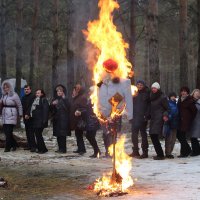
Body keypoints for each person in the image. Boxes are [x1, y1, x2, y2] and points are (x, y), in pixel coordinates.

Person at [0, 80, 23, 152]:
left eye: (7, 87)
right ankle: (14, 144)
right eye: (4, 88)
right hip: (4, 115)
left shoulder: (14, 95)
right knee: (7, 132)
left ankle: (8, 147)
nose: (6, 89)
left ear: (10, 87)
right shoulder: (4, 95)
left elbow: (19, 105)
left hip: (12, 114)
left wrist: (20, 114)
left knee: (8, 132)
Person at [129, 79, 150, 159]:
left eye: (141, 85)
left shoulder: (147, 93)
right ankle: (135, 151)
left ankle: (145, 152)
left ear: (143, 86)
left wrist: (147, 115)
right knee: (134, 134)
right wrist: (130, 115)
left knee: (143, 134)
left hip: (143, 117)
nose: (139, 86)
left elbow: (149, 105)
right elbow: (130, 105)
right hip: (134, 117)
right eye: (138, 85)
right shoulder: (134, 93)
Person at [149, 82, 169, 160]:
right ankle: (160, 154)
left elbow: (167, 108)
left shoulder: (162, 97)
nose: (153, 89)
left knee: (154, 135)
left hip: (159, 118)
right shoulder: (151, 96)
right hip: (153, 118)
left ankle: (160, 155)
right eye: (152, 88)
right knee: (153, 136)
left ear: (158, 89)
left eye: (155, 88)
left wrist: (165, 115)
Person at [177, 87, 197, 158]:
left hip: (185, 122)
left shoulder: (190, 101)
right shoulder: (180, 99)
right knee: (179, 135)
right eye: (182, 91)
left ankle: (184, 152)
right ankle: (187, 149)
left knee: (182, 136)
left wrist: (189, 119)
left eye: (185, 91)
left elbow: (194, 111)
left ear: (187, 92)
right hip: (179, 121)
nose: (183, 92)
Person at [50, 84, 71, 153]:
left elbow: (69, 107)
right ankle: (60, 148)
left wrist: (64, 99)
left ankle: (63, 149)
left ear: (63, 92)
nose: (59, 93)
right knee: (58, 135)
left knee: (63, 135)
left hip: (63, 120)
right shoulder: (54, 99)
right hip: (56, 119)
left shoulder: (65, 99)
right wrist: (52, 104)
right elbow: (51, 109)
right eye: (58, 91)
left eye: (60, 91)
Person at [70, 84, 87, 155]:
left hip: (80, 120)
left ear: (78, 91)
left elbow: (84, 108)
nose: (73, 92)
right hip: (75, 120)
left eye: (74, 90)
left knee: (79, 135)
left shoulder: (82, 98)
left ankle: (82, 149)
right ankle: (80, 148)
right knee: (78, 135)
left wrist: (79, 111)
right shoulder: (76, 98)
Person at [30, 89, 49, 154]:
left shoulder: (44, 100)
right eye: (36, 93)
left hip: (41, 121)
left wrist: (44, 120)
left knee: (38, 135)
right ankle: (43, 148)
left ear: (42, 94)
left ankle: (42, 149)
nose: (37, 94)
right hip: (35, 120)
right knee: (38, 135)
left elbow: (46, 111)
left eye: (38, 93)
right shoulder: (35, 100)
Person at [84, 86, 101, 158]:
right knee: (89, 136)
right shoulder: (90, 99)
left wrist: (95, 116)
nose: (89, 92)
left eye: (90, 91)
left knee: (91, 136)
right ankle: (97, 151)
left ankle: (96, 151)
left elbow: (98, 109)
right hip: (89, 120)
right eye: (89, 91)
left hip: (94, 121)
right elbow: (87, 109)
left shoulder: (96, 99)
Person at [163, 92, 179, 159]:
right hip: (169, 123)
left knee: (173, 139)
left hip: (175, 124)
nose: (173, 97)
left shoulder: (176, 104)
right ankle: (168, 153)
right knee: (169, 139)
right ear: (169, 97)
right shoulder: (168, 103)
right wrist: (168, 117)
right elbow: (166, 112)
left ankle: (170, 152)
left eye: (174, 96)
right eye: (172, 96)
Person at [21, 85, 36, 152]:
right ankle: (29, 145)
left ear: (30, 90)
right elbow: (22, 107)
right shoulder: (23, 97)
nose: (26, 90)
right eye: (25, 89)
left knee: (31, 132)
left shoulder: (33, 96)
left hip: (31, 117)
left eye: (27, 89)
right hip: (25, 117)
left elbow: (32, 106)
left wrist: (28, 114)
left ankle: (33, 146)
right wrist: (22, 115)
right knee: (27, 132)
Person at [188, 89, 200, 156]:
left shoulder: (198, 102)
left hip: (197, 121)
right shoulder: (190, 101)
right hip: (191, 121)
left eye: (198, 94)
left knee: (194, 137)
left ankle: (195, 151)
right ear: (193, 94)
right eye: (195, 94)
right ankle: (196, 150)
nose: (197, 95)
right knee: (193, 137)